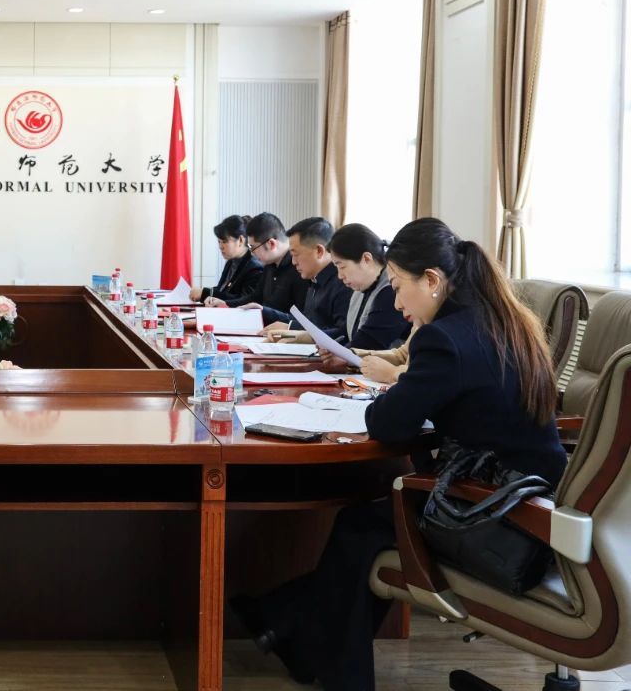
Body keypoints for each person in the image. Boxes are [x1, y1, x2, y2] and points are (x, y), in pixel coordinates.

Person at [233, 217, 566, 691]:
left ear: (431, 280)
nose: (395, 302)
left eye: (397, 286)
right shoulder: (505, 321)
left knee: (360, 528)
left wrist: (402, 382)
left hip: (496, 517)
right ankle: (297, 640)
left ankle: (293, 630)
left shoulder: (444, 338)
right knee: (367, 528)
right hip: (535, 504)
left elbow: (386, 424)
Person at [319, 223, 410, 354]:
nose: (339, 276)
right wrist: (315, 338)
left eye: (342, 267)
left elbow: (368, 344)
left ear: (366, 259)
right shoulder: (362, 288)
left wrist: (338, 354)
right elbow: (346, 332)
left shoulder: (391, 290)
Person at [208, 212, 308, 325]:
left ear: (271, 244)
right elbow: (255, 297)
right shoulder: (270, 263)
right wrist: (226, 303)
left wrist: (264, 311)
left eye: (253, 247)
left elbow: (302, 321)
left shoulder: (300, 267)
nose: (251, 253)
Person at [190, 215, 263, 304]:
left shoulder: (255, 268)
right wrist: (203, 292)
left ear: (240, 240)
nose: (220, 247)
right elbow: (222, 290)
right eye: (219, 242)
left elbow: (244, 300)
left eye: (224, 241)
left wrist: (205, 293)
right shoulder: (231, 262)